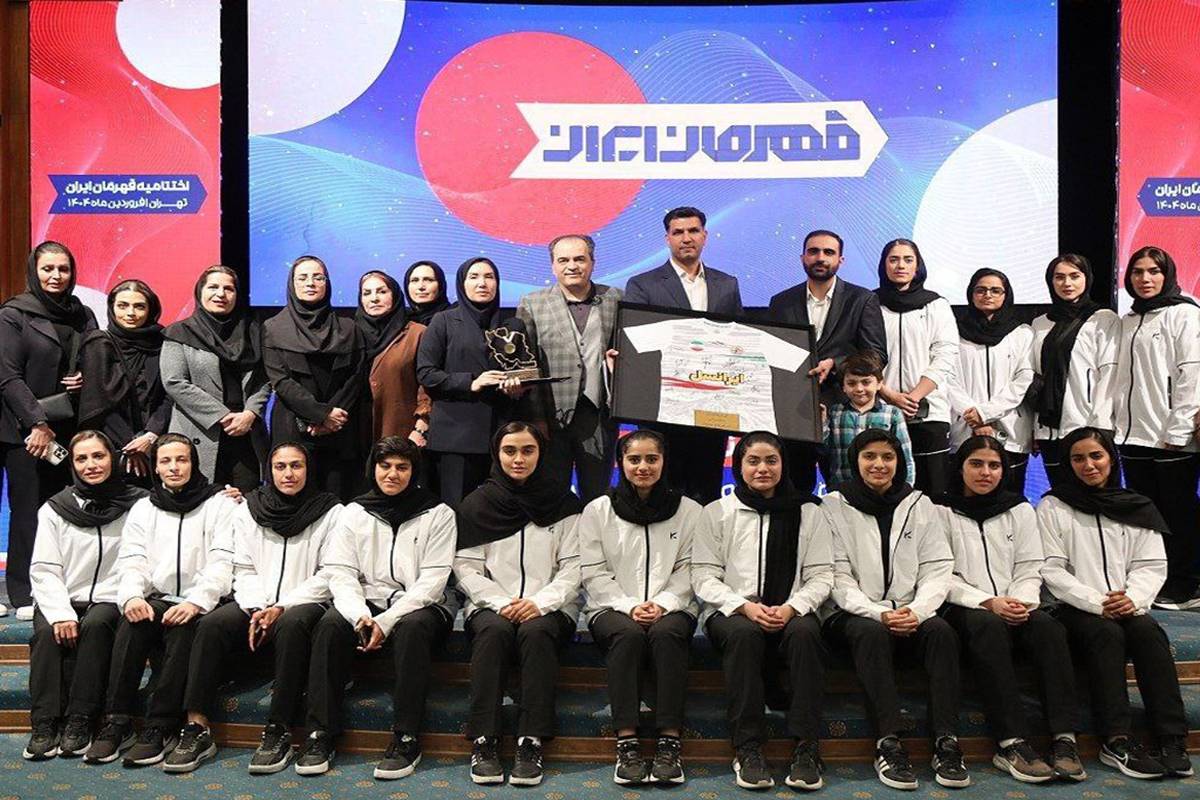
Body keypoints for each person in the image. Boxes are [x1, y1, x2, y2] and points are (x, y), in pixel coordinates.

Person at [163, 443, 340, 774]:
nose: (288, 474)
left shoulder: (331, 511)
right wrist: (259, 605)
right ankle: (197, 726)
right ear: (269, 471)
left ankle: (278, 729)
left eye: (296, 466)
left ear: (309, 469)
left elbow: (331, 573)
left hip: (306, 601)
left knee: (291, 623)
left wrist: (281, 606)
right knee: (212, 624)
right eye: (280, 466)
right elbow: (243, 567)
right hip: (255, 599)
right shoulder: (250, 508)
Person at [1037, 427, 1192, 780]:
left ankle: (1171, 737)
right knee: (1106, 634)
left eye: (1096, 456)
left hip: (1127, 604)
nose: (1088, 465)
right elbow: (1051, 568)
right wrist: (1097, 603)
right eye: (1078, 458)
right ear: (1067, 464)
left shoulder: (1137, 505)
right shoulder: (1053, 506)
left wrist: (1132, 599)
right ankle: (1116, 739)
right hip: (1075, 608)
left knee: (1149, 633)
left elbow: (1150, 565)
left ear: (1111, 458)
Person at [819, 428, 967, 791]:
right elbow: (836, 574)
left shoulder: (919, 503)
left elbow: (937, 566)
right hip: (852, 615)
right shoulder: (833, 506)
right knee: (870, 633)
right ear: (855, 460)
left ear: (900, 462)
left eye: (888, 457)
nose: (879, 464)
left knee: (941, 632)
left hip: (910, 611)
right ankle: (888, 742)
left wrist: (917, 611)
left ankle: (946, 741)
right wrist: (877, 613)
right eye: (869, 456)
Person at [302, 437, 457, 779]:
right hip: (365, 601)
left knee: (413, 628)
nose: (392, 474)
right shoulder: (353, 512)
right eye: (385, 466)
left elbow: (433, 581)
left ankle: (406, 737)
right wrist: (359, 615)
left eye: (402, 467)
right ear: (372, 468)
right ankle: (320, 733)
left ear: (414, 471)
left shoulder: (439, 513)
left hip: (420, 603)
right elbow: (340, 572)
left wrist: (386, 621)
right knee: (329, 625)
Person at [934, 435, 1084, 783]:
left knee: (1049, 628)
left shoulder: (1019, 508)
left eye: (994, 465)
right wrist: (988, 602)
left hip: (1016, 602)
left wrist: (1020, 601)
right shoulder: (939, 510)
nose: (985, 472)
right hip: (963, 605)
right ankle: (1010, 742)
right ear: (960, 467)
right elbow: (938, 572)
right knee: (987, 626)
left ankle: (1064, 739)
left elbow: (1031, 566)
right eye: (976, 464)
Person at [692, 431, 835, 791]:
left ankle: (806, 746)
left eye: (771, 460)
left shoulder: (809, 512)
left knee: (806, 633)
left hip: (792, 608)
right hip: (734, 611)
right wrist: (743, 606)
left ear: (783, 464)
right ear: (738, 466)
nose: (763, 469)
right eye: (753, 461)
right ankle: (748, 747)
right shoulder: (717, 512)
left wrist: (792, 608)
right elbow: (703, 576)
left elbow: (822, 575)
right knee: (743, 635)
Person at [84, 434, 238, 766]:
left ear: (194, 463)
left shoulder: (220, 504)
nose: (174, 467)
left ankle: (161, 726)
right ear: (155, 467)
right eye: (165, 461)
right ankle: (117, 720)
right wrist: (131, 597)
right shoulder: (144, 508)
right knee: (133, 622)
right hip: (159, 596)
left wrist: (196, 602)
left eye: (181, 459)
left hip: (203, 600)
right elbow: (132, 560)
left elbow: (223, 561)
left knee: (184, 627)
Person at [453, 422, 582, 786]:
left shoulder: (565, 504)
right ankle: (484, 739)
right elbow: (465, 567)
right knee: (493, 633)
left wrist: (540, 603)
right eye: (510, 451)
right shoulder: (477, 504)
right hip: (491, 605)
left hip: (551, 607)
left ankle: (531, 740)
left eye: (528, 450)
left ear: (541, 454)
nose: (518, 459)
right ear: (497, 454)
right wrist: (500, 602)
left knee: (537, 633)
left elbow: (574, 567)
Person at [578, 429, 700, 785]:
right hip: (611, 607)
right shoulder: (598, 510)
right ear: (621, 463)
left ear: (664, 462)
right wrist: (629, 606)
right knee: (628, 636)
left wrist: (663, 604)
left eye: (651, 459)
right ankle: (627, 741)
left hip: (673, 607)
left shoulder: (689, 511)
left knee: (667, 635)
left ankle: (669, 742)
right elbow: (593, 571)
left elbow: (691, 569)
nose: (643, 467)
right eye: (634, 459)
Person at [24, 430, 146, 760]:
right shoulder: (54, 509)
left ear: (113, 458)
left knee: (96, 624)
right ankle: (45, 723)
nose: (91, 465)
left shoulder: (139, 505)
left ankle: (81, 719)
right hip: (61, 596)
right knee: (47, 633)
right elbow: (44, 569)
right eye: (82, 459)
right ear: (73, 465)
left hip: (111, 597)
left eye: (98, 456)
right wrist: (61, 613)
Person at [0, 241, 98, 619]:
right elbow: (8, 377)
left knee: (64, 509)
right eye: (48, 269)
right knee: (27, 510)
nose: (56, 276)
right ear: (34, 271)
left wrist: (84, 377)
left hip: (70, 428)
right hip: (23, 430)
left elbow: (97, 359)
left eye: (63, 269)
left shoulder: (83, 314)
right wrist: (37, 423)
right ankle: (23, 592)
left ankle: (62, 585)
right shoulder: (14, 315)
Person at [624, 206, 744, 504]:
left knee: (708, 489)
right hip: (663, 404)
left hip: (714, 405)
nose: (686, 238)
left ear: (705, 235)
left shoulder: (727, 284)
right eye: (678, 232)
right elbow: (638, 341)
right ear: (667, 239)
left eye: (693, 231)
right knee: (663, 491)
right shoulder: (642, 285)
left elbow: (739, 340)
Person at [1112, 246, 1200, 608]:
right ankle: (1159, 578)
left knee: (1179, 512)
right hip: (1133, 436)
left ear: (1167, 275)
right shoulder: (1129, 319)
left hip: (1170, 437)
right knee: (1147, 516)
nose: (1145, 279)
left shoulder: (1185, 314)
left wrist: (1178, 430)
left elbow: (1192, 374)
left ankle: (1188, 584)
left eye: (1153, 271)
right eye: (1137, 272)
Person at [767, 229, 888, 492]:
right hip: (792, 413)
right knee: (795, 492)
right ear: (802, 258)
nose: (820, 257)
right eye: (813, 251)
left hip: (844, 410)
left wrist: (836, 364)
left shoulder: (862, 299)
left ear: (840, 260)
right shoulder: (781, 302)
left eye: (828, 252)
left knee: (848, 491)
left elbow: (877, 354)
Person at [416, 258, 530, 506]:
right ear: (462, 283)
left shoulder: (513, 325)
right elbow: (426, 373)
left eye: (489, 277)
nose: (482, 283)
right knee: (456, 510)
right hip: (456, 436)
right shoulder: (443, 321)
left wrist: (518, 387)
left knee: (503, 509)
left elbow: (526, 371)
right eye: (474, 277)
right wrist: (471, 382)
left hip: (503, 434)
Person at [517, 234, 622, 501]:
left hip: (599, 415)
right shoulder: (532, 303)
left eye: (579, 259)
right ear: (553, 266)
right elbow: (527, 365)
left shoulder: (615, 298)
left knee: (597, 499)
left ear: (592, 263)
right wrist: (536, 419)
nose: (572, 266)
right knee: (551, 497)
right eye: (563, 260)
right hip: (551, 418)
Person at [263, 256, 365, 500]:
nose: (310, 283)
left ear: (327, 284)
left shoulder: (349, 327)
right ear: (292, 284)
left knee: (336, 498)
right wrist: (321, 414)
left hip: (339, 426)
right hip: (292, 425)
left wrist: (332, 418)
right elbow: (281, 380)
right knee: (294, 497)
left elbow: (355, 376)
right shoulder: (273, 327)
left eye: (318, 277)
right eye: (303, 277)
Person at [161, 265, 270, 492]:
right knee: (201, 501)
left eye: (229, 289)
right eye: (213, 287)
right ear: (200, 291)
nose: (221, 294)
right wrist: (223, 416)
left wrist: (250, 413)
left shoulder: (253, 332)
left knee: (245, 501)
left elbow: (263, 379)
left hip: (246, 432)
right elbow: (174, 381)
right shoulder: (179, 332)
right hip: (200, 430)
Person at [874, 239, 959, 495]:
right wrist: (888, 394)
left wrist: (913, 397)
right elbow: (863, 355)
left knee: (933, 494)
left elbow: (945, 353)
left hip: (929, 412)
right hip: (880, 409)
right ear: (884, 265)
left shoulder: (936, 304)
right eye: (893, 259)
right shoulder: (868, 303)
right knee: (885, 490)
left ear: (917, 266)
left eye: (908, 260)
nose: (900, 265)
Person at [1029, 254, 1119, 487]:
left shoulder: (1103, 318)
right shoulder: (1039, 323)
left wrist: (1099, 427)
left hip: (1087, 426)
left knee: (1098, 496)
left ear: (1087, 279)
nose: (1067, 283)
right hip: (1048, 430)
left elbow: (1109, 374)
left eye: (1074, 276)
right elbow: (1036, 379)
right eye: (1059, 277)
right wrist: (1034, 428)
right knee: (1062, 496)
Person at [946, 269, 1035, 493]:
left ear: (1006, 295)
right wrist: (973, 416)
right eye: (981, 290)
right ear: (971, 294)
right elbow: (948, 377)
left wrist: (985, 413)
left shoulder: (1022, 333)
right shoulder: (953, 332)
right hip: (965, 428)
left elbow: (1024, 378)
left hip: (1011, 431)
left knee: (1010, 499)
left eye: (995, 290)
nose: (988, 295)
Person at [78, 280, 172, 485]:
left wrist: (150, 436)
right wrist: (131, 446)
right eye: (123, 306)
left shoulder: (163, 343)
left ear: (151, 310)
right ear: (112, 308)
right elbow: (98, 403)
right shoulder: (99, 343)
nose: (131, 313)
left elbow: (169, 394)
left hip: (156, 444)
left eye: (139, 306)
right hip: (112, 446)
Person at [355, 270, 431, 445]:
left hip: (400, 429)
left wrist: (421, 425)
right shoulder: (350, 333)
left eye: (382, 291)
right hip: (356, 431)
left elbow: (427, 385)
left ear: (395, 295)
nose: (374, 298)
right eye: (367, 293)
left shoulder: (417, 333)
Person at [821, 351, 914, 491]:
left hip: (881, 490)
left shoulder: (892, 414)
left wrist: (906, 489)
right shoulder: (835, 412)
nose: (859, 389)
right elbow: (825, 450)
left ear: (879, 384)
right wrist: (822, 424)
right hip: (843, 488)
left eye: (866, 382)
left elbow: (905, 456)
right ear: (843, 387)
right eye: (851, 383)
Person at [403, 260, 451, 326]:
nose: (420, 287)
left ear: (440, 285)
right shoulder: (401, 319)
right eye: (414, 280)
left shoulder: (453, 318)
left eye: (429, 280)